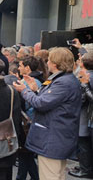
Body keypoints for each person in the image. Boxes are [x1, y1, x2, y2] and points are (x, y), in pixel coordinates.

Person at [13, 47, 82, 180]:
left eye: (49, 60)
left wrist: (25, 91)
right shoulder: (64, 79)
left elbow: (41, 104)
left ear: (55, 64)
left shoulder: (63, 82)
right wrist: (36, 90)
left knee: (50, 175)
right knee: (57, 174)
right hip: (58, 136)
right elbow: (51, 101)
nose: (47, 63)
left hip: (53, 138)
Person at [16, 56, 42, 180]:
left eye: (20, 65)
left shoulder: (31, 82)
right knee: (26, 155)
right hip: (30, 122)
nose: (18, 68)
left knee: (25, 154)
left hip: (28, 123)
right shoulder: (35, 80)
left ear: (27, 68)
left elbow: (27, 102)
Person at [69, 52, 93, 178]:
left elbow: (83, 98)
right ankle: (86, 167)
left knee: (83, 143)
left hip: (85, 116)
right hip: (87, 116)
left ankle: (85, 169)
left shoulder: (88, 76)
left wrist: (84, 85)